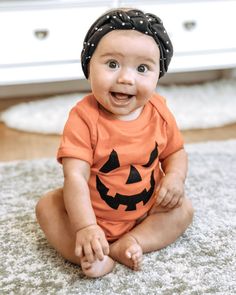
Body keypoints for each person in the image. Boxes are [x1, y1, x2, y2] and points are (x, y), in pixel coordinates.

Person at [36, 8, 194, 278]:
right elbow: (74, 176)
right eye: (112, 64)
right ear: (88, 66)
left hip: (145, 210)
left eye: (142, 68)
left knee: (184, 211)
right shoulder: (83, 119)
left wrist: (175, 179)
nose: (126, 78)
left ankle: (132, 242)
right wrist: (85, 226)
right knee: (47, 208)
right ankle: (92, 251)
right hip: (90, 213)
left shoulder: (159, 110)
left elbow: (175, 152)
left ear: (158, 74)